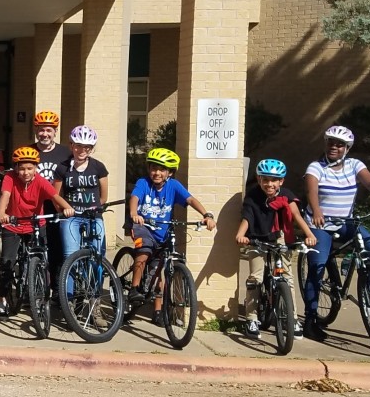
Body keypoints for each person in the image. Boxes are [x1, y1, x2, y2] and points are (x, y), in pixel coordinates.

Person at [300, 125, 370, 341]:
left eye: (339, 144)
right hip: (321, 224)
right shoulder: (316, 167)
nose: (334, 147)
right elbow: (311, 190)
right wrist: (316, 210)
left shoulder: (354, 165)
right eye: (330, 142)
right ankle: (310, 320)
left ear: (347, 148)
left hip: (346, 222)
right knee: (317, 265)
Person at [127, 147, 217, 323]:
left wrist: (206, 215)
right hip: (143, 226)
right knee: (144, 250)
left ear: (170, 172)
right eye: (153, 168)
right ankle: (134, 288)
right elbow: (135, 198)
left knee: (160, 269)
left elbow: (190, 199)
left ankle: (158, 311)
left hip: (162, 231)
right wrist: (133, 214)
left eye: (162, 169)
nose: (157, 172)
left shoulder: (173, 186)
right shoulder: (143, 183)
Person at [234, 159, 317, 339]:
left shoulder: (286, 195)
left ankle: (292, 318)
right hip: (257, 237)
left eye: (274, 180)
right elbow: (247, 217)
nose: (269, 184)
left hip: (280, 237)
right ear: (258, 179)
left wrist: (309, 234)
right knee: (255, 277)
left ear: (281, 181)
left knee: (287, 277)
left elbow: (296, 215)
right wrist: (241, 235)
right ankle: (251, 318)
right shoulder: (253, 196)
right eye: (265, 179)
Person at [0, 146, 74, 317]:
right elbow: (5, 195)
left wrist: (67, 208)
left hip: (35, 225)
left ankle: (37, 294)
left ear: (36, 168)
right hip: (13, 224)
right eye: (22, 168)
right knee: (7, 262)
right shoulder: (9, 177)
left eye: (30, 168)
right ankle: (2, 298)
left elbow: (55, 196)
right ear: (16, 168)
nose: (25, 172)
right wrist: (2, 213)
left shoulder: (40, 181)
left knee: (40, 260)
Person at [54, 125, 109, 278]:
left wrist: (96, 208)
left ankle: (95, 295)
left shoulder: (98, 167)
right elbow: (55, 194)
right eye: (78, 146)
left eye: (87, 147)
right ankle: (69, 299)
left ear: (91, 149)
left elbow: (103, 196)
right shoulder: (62, 168)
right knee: (70, 257)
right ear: (71, 145)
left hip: (93, 216)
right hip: (71, 217)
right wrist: (63, 210)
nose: (82, 150)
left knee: (97, 257)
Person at [32, 110, 71, 283]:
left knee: (57, 246)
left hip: (57, 206)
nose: (44, 134)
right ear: (36, 130)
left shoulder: (65, 154)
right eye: (41, 129)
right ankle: (33, 285)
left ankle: (56, 286)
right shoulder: (28, 152)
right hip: (34, 206)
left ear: (55, 131)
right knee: (35, 246)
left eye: (49, 130)